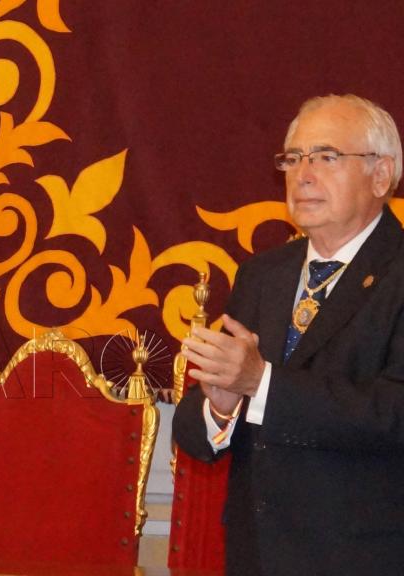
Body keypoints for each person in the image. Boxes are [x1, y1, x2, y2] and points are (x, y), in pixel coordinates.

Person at [173, 94, 404, 575]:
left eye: (326, 157)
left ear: (381, 175)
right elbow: (197, 437)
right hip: (256, 555)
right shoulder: (262, 275)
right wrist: (218, 405)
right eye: (293, 158)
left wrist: (260, 384)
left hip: (365, 557)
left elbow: (393, 414)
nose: (303, 174)